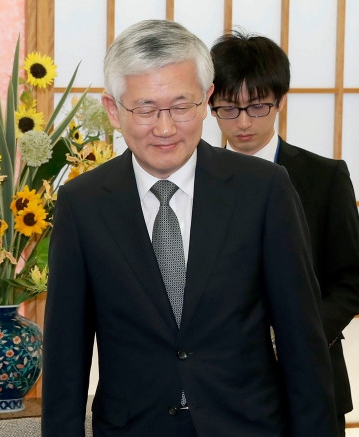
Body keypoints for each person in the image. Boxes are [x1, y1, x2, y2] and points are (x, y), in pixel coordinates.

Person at [41, 19, 337, 437]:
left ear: (206, 100)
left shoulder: (263, 189)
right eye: (144, 108)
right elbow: (65, 356)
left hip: (248, 427)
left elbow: (301, 342)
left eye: (181, 106)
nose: (164, 128)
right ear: (113, 109)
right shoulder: (82, 203)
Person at [210, 29, 359, 436]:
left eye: (257, 107)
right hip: (220, 383)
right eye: (227, 109)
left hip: (310, 377)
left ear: (280, 102)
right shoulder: (192, 183)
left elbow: (353, 277)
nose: (242, 123)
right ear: (210, 105)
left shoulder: (324, 177)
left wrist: (300, 334)